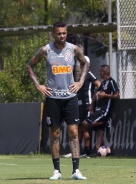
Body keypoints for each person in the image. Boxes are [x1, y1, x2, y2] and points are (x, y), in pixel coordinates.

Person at [26, 21, 89, 180]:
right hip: (53, 98)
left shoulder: (73, 49)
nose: (62, 36)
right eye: (59, 33)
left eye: (64, 33)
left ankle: (76, 171)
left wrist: (80, 81)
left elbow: (86, 62)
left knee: (74, 132)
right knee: (55, 134)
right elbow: (29, 66)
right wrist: (37, 85)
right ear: (54, 34)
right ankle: (57, 171)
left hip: (70, 97)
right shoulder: (45, 50)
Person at [62, 56, 101, 159]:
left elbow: (99, 84)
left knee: (85, 128)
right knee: (78, 128)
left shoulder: (89, 74)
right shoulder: (81, 77)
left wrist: (96, 97)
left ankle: (87, 152)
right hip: (79, 105)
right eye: (81, 63)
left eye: (83, 64)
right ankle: (76, 152)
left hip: (87, 105)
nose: (81, 65)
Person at [82, 64, 120, 156]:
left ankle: (104, 122)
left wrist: (105, 96)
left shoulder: (111, 82)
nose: (99, 73)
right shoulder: (103, 83)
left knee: (85, 123)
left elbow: (117, 95)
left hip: (104, 111)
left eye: (100, 72)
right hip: (98, 109)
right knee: (100, 131)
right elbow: (96, 92)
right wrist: (92, 105)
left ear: (103, 72)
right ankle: (97, 151)